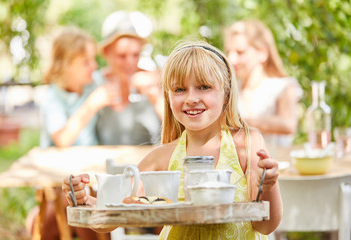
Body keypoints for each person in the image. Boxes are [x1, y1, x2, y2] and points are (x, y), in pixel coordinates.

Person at [62, 40, 283, 239]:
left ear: (226, 94)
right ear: (168, 97)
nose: (191, 98)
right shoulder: (162, 157)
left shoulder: (246, 143)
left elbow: (265, 226)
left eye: (204, 87)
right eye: (179, 89)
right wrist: (86, 201)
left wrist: (269, 185)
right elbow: (112, 217)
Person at [33, 27, 110, 240]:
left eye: (93, 59)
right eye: (86, 62)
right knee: (72, 202)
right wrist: (91, 105)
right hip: (58, 177)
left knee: (90, 205)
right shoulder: (52, 98)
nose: (94, 66)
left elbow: (112, 77)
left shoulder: (91, 84)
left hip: (89, 172)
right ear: (66, 65)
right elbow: (62, 139)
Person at [224, 19, 302, 155]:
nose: (231, 59)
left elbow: (288, 124)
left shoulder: (283, 87)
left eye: (240, 52)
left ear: (263, 53)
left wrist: (240, 123)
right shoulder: (230, 90)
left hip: (277, 167)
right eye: (229, 52)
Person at [93, 10, 162, 145]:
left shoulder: (154, 80)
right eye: (122, 56)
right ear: (106, 52)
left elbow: (178, 135)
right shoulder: (95, 83)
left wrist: (157, 96)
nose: (130, 62)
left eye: (135, 54)